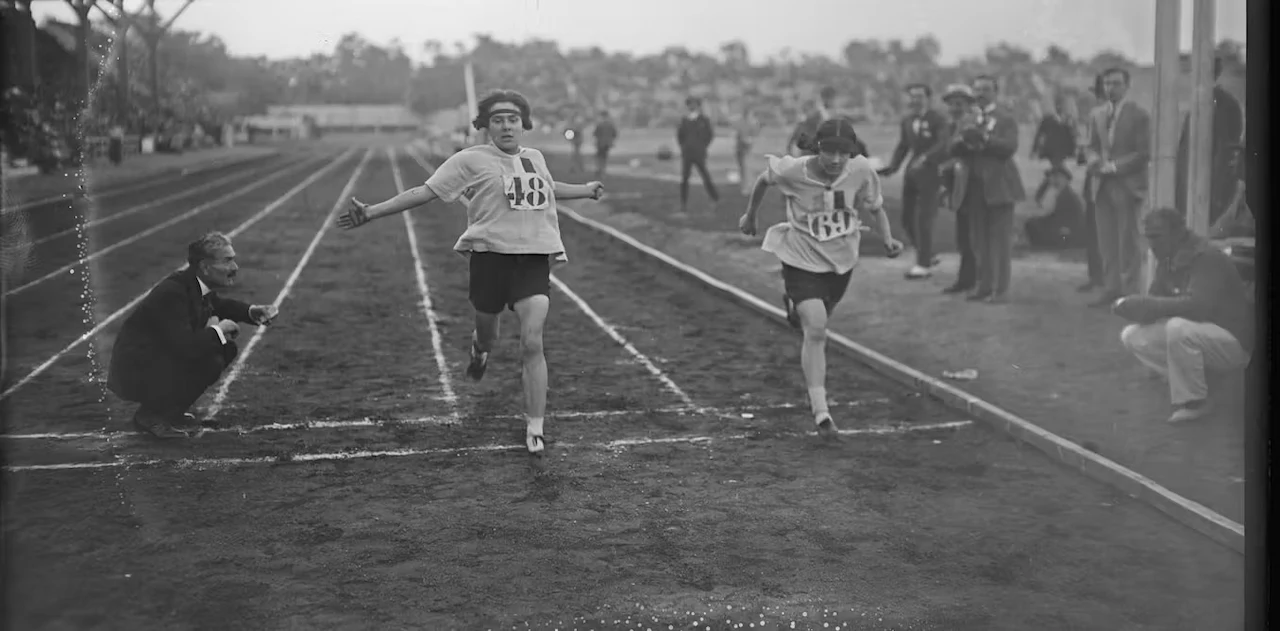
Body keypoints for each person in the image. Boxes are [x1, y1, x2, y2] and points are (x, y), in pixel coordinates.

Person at [337, 89, 604, 455]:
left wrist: (586, 190)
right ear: (486, 126)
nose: (506, 126)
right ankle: (479, 351)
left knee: (532, 341)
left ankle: (536, 428)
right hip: (490, 259)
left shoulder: (535, 157)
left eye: (512, 119)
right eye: (497, 120)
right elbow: (424, 191)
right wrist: (372, 211)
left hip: (533, 259)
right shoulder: (470, 159)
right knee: (488, 333)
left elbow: (547, 188)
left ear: (523, 123)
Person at [737, 118, 904, 438]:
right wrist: (751, 215)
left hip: (841, 261)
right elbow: (763, 179)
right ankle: (821, 412)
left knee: (815, 320)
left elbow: (874, 206)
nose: (837, 160)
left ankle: (794, 307)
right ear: (818, 148)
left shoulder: (861, 170)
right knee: (816, 328)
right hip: (800, 258)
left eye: (844, 154)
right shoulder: (793, 170)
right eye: (830, 152)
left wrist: (887, 239)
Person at [107, 231, 278, 438]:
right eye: (227, 261)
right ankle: (150, 415)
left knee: (223, 350)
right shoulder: (174, 292)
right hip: (135, 371)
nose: (235, 268)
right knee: (211, 351)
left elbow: (219, 304)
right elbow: (185, 347)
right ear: (205, 267)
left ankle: (169, 411)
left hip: (152, 361)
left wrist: (251, 311)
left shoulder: (193, 284)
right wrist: (219, 330)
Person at [1114, 207, 1252, 423]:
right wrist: (1132, 308)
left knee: (1178, 328)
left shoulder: (1206, 256)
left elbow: (1198, 306)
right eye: (1148, 237)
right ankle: (1196, 381)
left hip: (1235, 344)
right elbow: (1155, 302)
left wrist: (1150, 305)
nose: (1152, 243)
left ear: (1178, 232)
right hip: (1205, 337)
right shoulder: (1168, 257)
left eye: (1157, 236)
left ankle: (1196, 401)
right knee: (1132, 335)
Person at [949, 75, 1025, 303]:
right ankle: (984, 286)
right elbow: (952, 146)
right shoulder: (968, 118)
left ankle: (1000, 290)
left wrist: (984, 141)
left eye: (986, 89)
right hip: (973, 185)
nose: (981, 94)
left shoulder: (1005, 118)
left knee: (999, 242)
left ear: (995, 92)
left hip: (1000, 185)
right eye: (977, 89)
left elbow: (1009, 147)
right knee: (979, 241)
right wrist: (964, 142)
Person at [1087, 67, 1151, 308]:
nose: (1110, 88)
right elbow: (1091, 145)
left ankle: (1130, 292)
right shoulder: (1097, 114)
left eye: (1115, 83)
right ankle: (1111, 288)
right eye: (1106, 84)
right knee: (1106, 239)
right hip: (1102, 185)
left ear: (1127, 86)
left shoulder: (1139, 115)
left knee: (1128, 240)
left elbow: (1143, 153)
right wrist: (1094, 160)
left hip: (1127, 184)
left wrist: (1113, 166)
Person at [876, 83, 949, 280]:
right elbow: (903, 146)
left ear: (928, 98)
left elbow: (944, 143)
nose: (915, 100)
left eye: (919, 96)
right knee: (907, 219)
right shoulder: (907, 120)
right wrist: (891, 167)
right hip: (913, 173)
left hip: (933, 174)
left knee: (924, 219)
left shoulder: (939, 119)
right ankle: (928, 253)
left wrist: (927, 158)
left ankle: (923, 264)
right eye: (912, 96)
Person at [1175, 57, 1244, 226]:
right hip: (1188, 186)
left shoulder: (1226, 104)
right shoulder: (1197, 103)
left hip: (1211, 188)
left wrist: (1217, 193)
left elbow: (1226, 150)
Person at [937, 83, 981, 294]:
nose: (955, 107)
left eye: (959, 103)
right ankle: (967, 278)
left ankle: (972, 279)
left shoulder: (971, 125)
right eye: (952, 104)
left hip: (972, 184)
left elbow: (968, 154)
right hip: (958, 184)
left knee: (971, 234)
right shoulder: (951, 125)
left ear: (968, 105)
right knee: (963, 235)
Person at [1030, 95, 1078, 205]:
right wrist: (1034, 149)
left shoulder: (1067, 120)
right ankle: (1055, 195)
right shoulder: (1048, 120)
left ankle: (1042, 195)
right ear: (1056, 107)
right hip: (1051, 150)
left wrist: (1073, 150)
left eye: (1062, 106)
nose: (1060, 108)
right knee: (1061, 172)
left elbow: (1071, 136)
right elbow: (1039, 134)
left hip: (1063, 150)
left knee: (1056, 173)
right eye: (1058, 105)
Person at [1023, 164, 1085, 249]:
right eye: (1054, 177)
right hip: (1057, 226)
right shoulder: (1054, 192)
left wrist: (1068, 228)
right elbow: (1039, 199)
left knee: (1038, 228)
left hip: (1067, 230)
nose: (1056, 180)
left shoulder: (1069, 196)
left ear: (1066, 180)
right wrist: (1046, 183)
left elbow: (1077, 219)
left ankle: (1046, 245)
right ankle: (1041, 245)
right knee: (1032, 224)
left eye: (1059, 177)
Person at [675, 96, 719, 213]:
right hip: (687, 154)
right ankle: (683, 202)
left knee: (705, 175)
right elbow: (680, 136)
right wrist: (684, 147)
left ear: (698, 106)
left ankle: (714, 197)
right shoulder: (684, 120)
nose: (692, 106)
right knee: (685, 178)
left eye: (694, 104)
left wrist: (702, 146)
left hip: (699, 153)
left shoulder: (704, 120)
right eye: (690, 104)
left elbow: (709, 135)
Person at [733, 105, 761, 195]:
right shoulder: (741, 122)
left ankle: (749, 186)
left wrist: (749, 139)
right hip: (740, 147)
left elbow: (755, 135)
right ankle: (745, 185)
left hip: (748, 148)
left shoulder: (753, 122)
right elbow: (738, 135)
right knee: (742, 167)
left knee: (747, 167)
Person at [592, 109, 618, 179]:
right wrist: (611, 141)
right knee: (604, 157)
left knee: (599, 157)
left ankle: (599, 170)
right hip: (607, 144)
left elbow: (595, 134)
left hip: (600, 143)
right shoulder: (610, 124)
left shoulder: (600, 124)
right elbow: (615, 134)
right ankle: (603, 171)